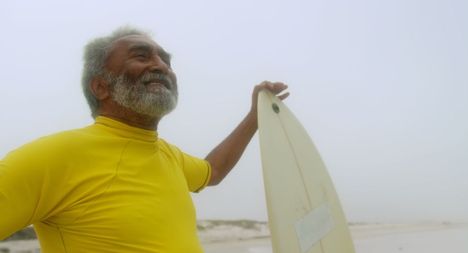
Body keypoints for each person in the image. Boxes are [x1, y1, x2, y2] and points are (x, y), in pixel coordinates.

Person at [0, 27, 289, 252]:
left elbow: (213, 171)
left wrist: (254, 117)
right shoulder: (53, 157)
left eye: (165, 59)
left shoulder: (169, 156)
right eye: (141, 56)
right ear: (101, 87)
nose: (161, 66)